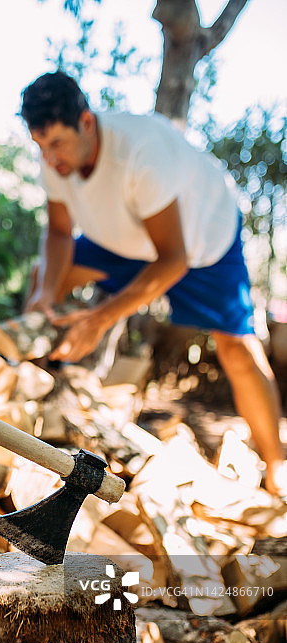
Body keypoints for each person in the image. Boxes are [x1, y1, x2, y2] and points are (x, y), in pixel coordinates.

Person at [19, 70, 287, 497]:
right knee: (45, 278)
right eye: (40, 147)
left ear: (86, 122)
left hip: (199, 243)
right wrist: (44, 294)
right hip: (124, 237)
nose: (49, 160)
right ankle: (36, 396)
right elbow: (57, 234)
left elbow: (173, 259)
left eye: (56, 145)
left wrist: (101, 318)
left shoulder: (141, 152)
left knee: (236, 348)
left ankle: (277, 465)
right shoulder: (57, 159)